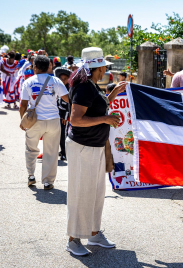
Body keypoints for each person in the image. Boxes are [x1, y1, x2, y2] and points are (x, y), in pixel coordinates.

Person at [65, 47, 126, 256]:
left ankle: (93, 233)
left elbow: (95, 107)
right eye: (104, 67)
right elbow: (76, 119)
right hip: (83, 148)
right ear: (97, 67)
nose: (105, 71)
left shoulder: (90, 85)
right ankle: (73, 239)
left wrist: (112, 95)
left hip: (95, 147)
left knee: (96, 193)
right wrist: (105, 119)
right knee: (81, 194)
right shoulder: (84, 87)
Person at [19, 55, 69, 190]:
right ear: (49, 66)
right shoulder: (56, 81)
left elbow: (23, 105)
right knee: (51, 152)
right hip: (53, 121)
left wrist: (22, 121)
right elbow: (67, 99)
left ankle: (31, 175)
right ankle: (48, 181)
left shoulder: (28, 82)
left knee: (31, 149)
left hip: (35, 121)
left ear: (34, 67)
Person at [54, 67, 72, 161]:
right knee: (58, 134)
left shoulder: (70, 89)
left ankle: (65, 153)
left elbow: (69, 105)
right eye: (61, 79)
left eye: (65, 79)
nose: (63, 81)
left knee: (63, 135)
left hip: (65, 117)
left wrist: (65, 117)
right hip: (57, 115)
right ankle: (61, 150)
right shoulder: (58, 87)